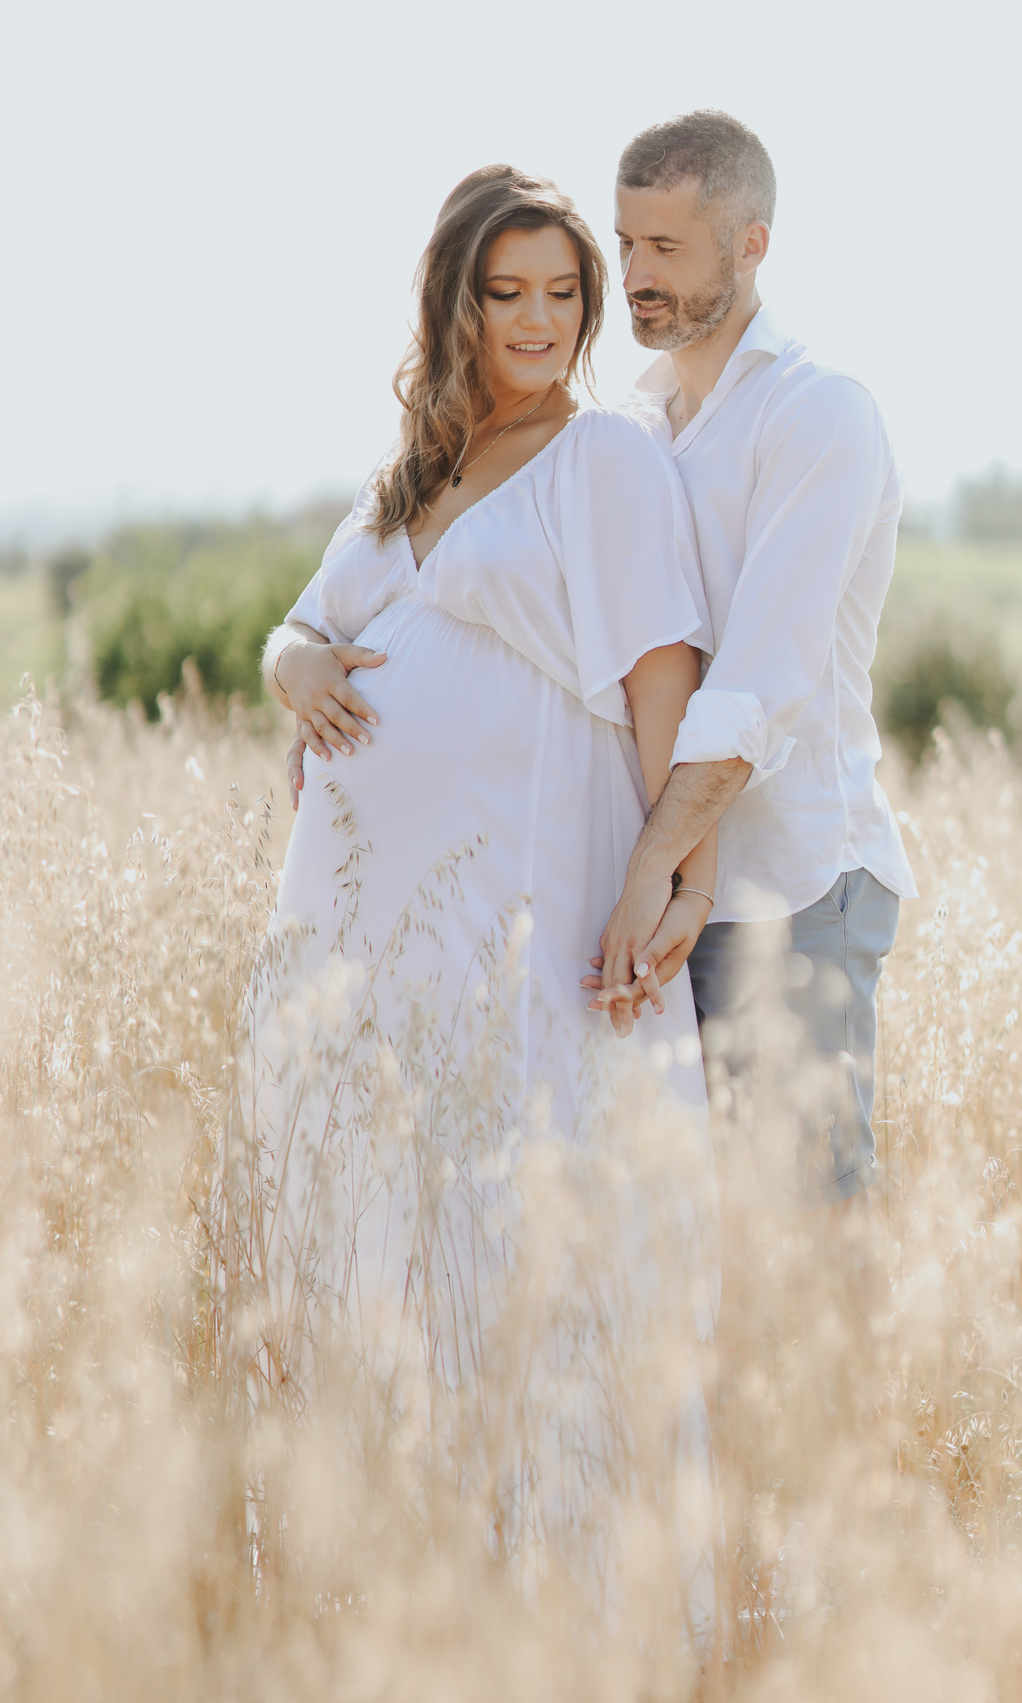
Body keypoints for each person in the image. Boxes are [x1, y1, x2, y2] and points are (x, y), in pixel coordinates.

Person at [231, 170, 721, 1616]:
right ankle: (386, 1603)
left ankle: (559, 1615)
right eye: (505, 291)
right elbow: (297, 628)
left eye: (562, 292)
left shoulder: (608, 463)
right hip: (362, 953)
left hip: (529, 914)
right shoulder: (406, 484)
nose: (537, 319)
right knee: (379, 1233)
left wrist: (658, 879)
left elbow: (659, 681)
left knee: (525, 1229)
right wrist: (295, 665)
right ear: (454, 304)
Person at [585, 111, 918, 1203]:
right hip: (677, 894)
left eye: (668, 248)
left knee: (806, 1237)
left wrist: (649, 867)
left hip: (794, 885)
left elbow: (763, 682)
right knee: (699, 1253)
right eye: (627, 244)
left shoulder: (820, 414)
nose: (636, 275)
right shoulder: (632, 425)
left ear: (752, 243)